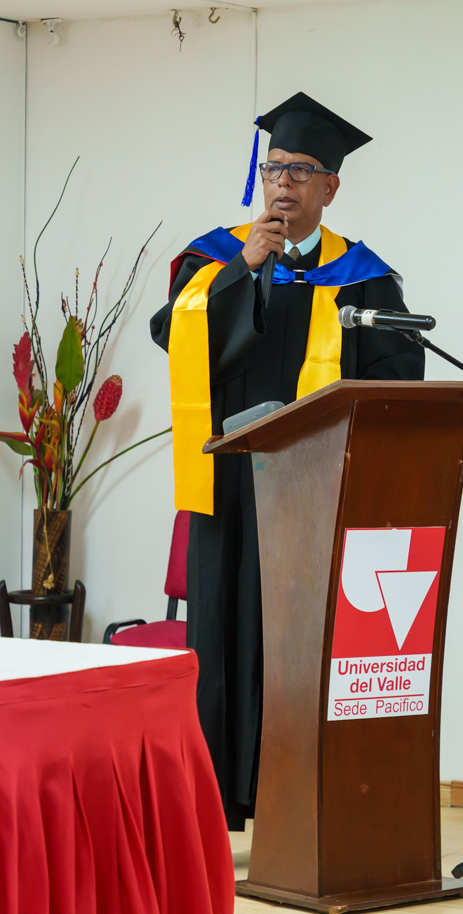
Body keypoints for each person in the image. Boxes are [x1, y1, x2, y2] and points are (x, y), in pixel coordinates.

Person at [151, 92, 425, 829]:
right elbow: (172, 338)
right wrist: (246, 266)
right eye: (276, 167)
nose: (285, 183)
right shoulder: (214, 262)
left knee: (298, 646)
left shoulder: (364, 278)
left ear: (332, 187)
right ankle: (215, 808)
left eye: (303, 170)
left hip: (315, 494)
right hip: (231, 493)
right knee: (224, 640)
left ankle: (297, 809)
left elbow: (401, 382)